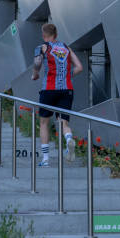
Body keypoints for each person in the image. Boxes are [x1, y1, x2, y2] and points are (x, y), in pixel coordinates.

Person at [32, 23, 83, 167]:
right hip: (67, 89)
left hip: (49, 89)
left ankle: (46, 159)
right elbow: (79, 68)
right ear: (56, 34)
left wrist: (35, 75)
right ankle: (68, 140)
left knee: (44, 123)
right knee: (63, 123)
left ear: (44, 35)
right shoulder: (66, 48)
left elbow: (37, 62)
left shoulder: (43, 47)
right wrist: (67, 75)